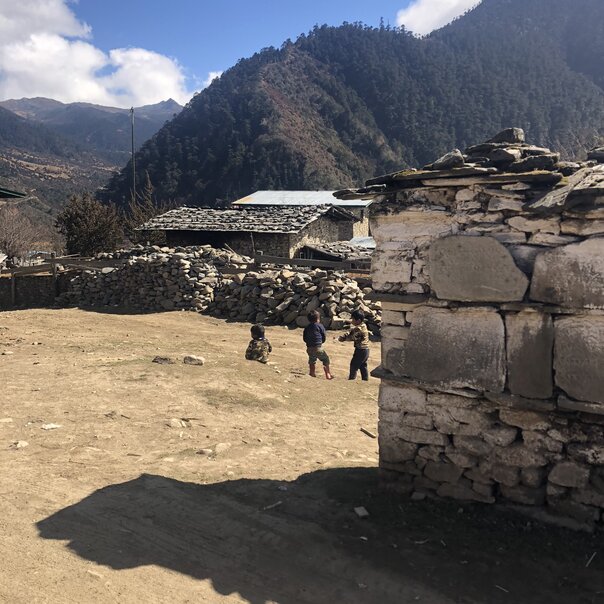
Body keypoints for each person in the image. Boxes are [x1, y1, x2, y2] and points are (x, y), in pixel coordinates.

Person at [338, 309, 370, 381]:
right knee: (363, 366)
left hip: (361, 350)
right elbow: (353, 329)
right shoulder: (363, 325)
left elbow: (353, 337)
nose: (352, 321)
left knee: (354, 365)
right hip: (366, 350)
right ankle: (365, 380)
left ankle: (351, 380)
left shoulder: (359, 329)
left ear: (358, 320)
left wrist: (343, 339)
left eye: (353, 319)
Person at [303, 310, 333, 379]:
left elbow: (304, 338)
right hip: (318, 348)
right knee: (325, 359)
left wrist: (309, 343)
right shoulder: (320, 326)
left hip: (309, 348)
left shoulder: (307, 327)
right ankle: (328, 374)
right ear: (318, 319)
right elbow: (323, 335)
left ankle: (312, 373)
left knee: (312, 360)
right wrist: (321, 342)